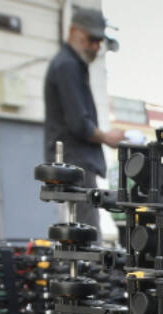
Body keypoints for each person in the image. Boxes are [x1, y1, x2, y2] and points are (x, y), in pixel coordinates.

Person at [44, 6, 124, 229]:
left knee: (80, 230)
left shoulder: (68, 64)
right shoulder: (68, 65)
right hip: (75, 162)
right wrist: (107, 137)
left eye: (99, 41)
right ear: (74, 32)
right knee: (86, 234)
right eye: (92, 39)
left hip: (73, 162)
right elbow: (79, 123)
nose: (96, 46)